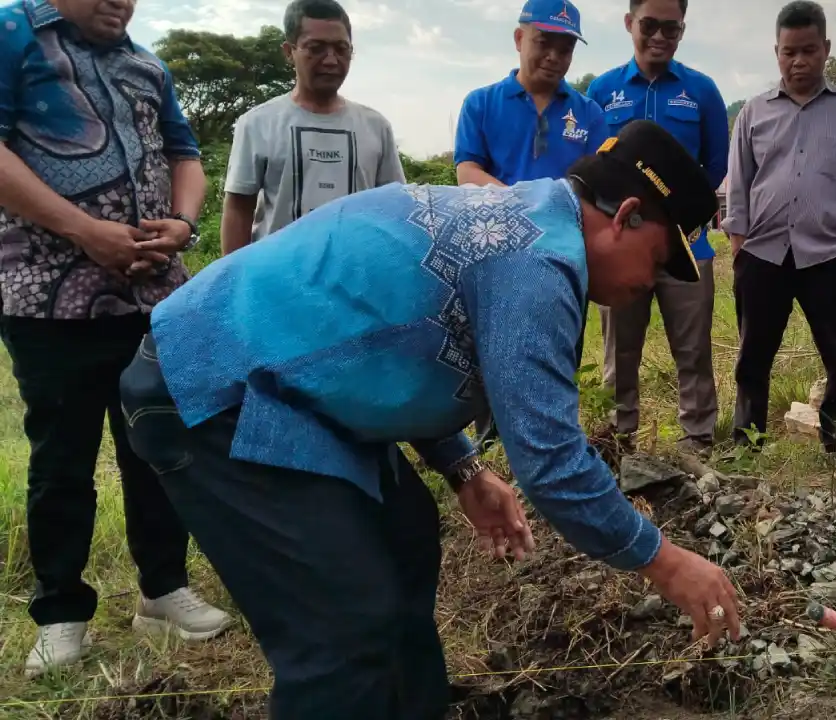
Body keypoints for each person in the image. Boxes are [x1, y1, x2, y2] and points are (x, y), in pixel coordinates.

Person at [117, 120, 742, 720]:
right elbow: (551, 463)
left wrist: (462, 466)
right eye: (658, 260)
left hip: (296, 387)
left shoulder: (521, 217)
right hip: (214, 388)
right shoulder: (535, 261)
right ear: (627, 216)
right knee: (344, 622)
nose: (651, 284)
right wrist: (662, 561)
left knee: (408, 535)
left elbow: (396, 336)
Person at [0, 0, 232, 678]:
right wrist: (83, 230)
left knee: (157, 446)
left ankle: (162, 588)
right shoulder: (14, 34)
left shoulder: (146, 62)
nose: (120, 2)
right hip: (48, 297)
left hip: (153, 295)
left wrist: (185, 225)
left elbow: (184, 155)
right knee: (61, 460)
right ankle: (62, 613)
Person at [723, 1, 836, 457]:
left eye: (808, 50)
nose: (799, 61)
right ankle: (746, 443)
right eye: (789, 51)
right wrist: (739, 249)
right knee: (753, 357)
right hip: (763, 255)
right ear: (777, 51)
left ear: (826, 49)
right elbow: (739, 188)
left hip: (829, 253)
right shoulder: (754, 113)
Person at [454, 0, 607, 450]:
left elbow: (595, 185)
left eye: (565, 48)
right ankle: (491, 449)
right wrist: (530, 207)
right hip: (494, 253)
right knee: (489, 351)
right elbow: (467, 173)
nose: (555, 57)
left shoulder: (590, 114)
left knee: (559, 353)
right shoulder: (482, 103)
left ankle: (554, 444)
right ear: (520, 39)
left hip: (562, 258)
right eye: (544, 43)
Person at [586, 0, 729, 456]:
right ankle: (619, 436)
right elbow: (592, 166)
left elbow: (716, 164)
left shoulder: (702, 91)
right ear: (630, 23)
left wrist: (680, 220)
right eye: (650, 25)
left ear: (683, 29)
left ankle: (698, 438)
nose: (660, 36)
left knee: (692, 349)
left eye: (672, 28)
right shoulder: (603, 90)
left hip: (687, 247)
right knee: (620, 350)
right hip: (618, 248)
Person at [220, 0, 405, 254]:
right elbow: (239, 209)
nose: (331, 60)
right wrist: (232, 283)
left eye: (342, 49)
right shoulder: (257, 123)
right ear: (289, 51)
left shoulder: (376, 126)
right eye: (316, 48)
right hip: (276, 279)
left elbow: (394, 208)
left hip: (356, 280)